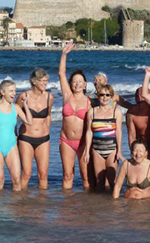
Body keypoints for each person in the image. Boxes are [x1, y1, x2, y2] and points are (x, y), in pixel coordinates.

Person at [0, 80, 33, 191]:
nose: (14, 94)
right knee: (0, 180)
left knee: (16, 180)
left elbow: (29, 121)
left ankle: (14, 206)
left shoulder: (16, 108)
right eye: (11, 91)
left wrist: (25, 104)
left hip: (11, 146)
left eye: (15, 91)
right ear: (3, 92)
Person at [59, 42, 93, 190]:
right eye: (74, 81)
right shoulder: (67, 95)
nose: (77, 84)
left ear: (85, 84)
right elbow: (61, 73)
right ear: (70, 84)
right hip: (66, 141)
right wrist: (64, 54)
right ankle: (67, 207)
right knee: (67, 175)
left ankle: (86, 208)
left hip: (82, 143)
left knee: (85, 176)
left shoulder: (90, 102)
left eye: (80, 82)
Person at [16, 68, 53, 190]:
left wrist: (47, 129)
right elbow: (14, 116)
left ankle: (42, 203)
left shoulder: (49, 97)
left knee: (43, 174)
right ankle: (20, 202)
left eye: (46, 80)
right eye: (42, 81)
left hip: (43, 139)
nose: (45, 83)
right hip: (26, 138)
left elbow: (48, 115)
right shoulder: (23, 96)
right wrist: (14, 135)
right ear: (34, 82)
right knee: (26, 173)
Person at [83, 84, 125, 191]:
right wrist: (87, 151)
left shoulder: (117, 111)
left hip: (112, 150)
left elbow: (119, 131)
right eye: (102, 95)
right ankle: (101, 206)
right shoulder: (92, 112)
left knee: (112, 181)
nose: (105, 97)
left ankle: (114, 205)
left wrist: (119, 151)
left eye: (107, 95)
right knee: (99, 182)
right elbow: (89, 132)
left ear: (111, 97)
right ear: (98, 96)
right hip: (97, 150)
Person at [126, 87, 150, 162]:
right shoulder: (132, 113)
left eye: (142, 96)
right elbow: (132, 135)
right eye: (137, 96)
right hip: (141, 148)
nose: (139, 99)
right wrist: (133, 153)